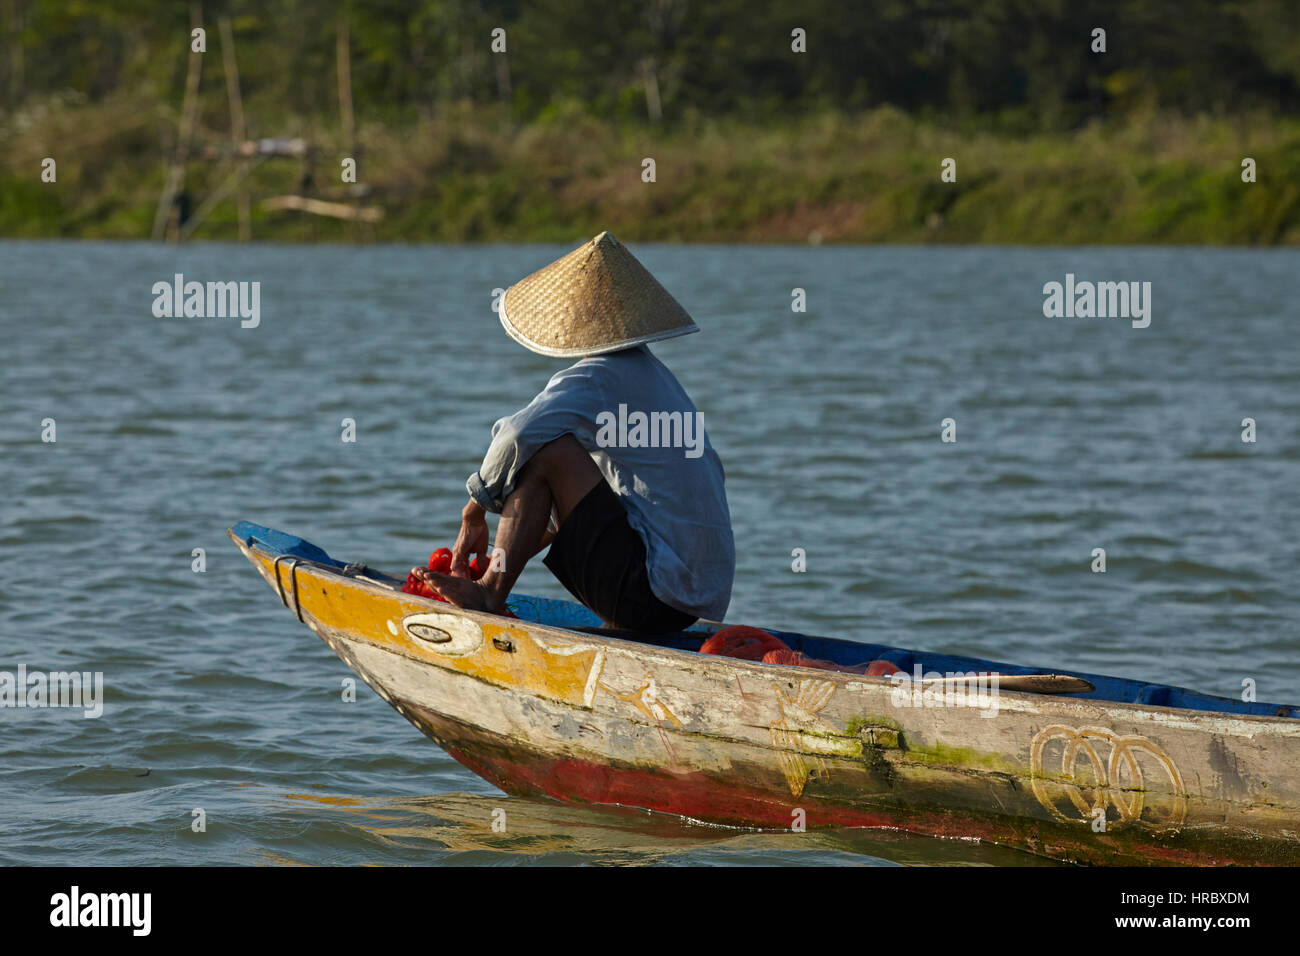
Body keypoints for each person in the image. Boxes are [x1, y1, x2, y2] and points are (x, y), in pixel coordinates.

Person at [413, 231, 734, 634]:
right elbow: (555, 518)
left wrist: (473, 512)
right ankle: (494, 582)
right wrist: (497, 555)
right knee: (552, 458)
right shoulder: (654, 378)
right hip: (694, 601)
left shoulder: (601, 376)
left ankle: (490, 593)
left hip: (655, 595)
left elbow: (515, 435)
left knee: (546, 453)